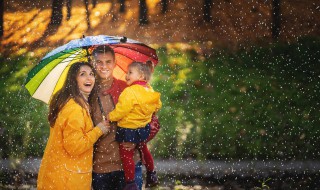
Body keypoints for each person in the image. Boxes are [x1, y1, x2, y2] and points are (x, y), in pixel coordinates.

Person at [37, 62, 110, 190]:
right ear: (74, 80)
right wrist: (98, 130)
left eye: (91, 74)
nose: (89, 78)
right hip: (66, 180)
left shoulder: (76, 104)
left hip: (61, 176)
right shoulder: (75, 109)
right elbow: (75, 146)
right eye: (83, 74)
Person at [90, 45, 144, 190]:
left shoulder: (128, 89)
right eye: (99, 62)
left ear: (114, 63)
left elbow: (151, 122)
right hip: (100, 168)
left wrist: (136, 139)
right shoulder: (88, 93)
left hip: (129, 165)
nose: (104, 66)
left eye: (108, 62)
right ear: (93, 63)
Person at [108, 61, 162, 189]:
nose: (127, 75)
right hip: (143, 128)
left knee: (126, 155)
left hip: (129, 129)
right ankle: (152, 173)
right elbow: (158, 105)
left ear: (141, 76)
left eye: (130, 72)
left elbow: (121, 110)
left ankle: (130, 182)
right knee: (144, 149)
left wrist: (110, 117)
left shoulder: (129, 91)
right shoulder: (149, 89)